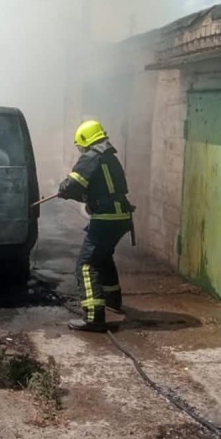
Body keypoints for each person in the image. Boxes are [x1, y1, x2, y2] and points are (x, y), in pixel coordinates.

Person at [57, 120, 135, 332]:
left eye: (80, 146)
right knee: (103, 257)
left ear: (84, 140)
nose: (80, 150)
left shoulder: (91, 156)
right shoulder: (109, 157)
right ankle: (112, 301)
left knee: (86, 264)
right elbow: (101, 187)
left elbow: (73, 184)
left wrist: (63, 189)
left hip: (107, 218)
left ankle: (94, 317)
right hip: (121, 216)